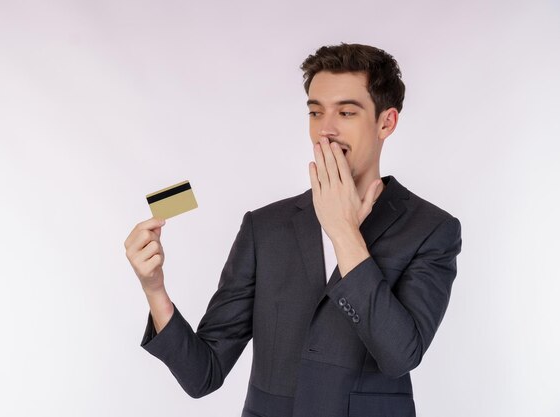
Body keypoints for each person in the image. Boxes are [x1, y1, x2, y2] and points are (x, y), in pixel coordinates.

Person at [124, 42, 462, 417]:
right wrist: (154, 289)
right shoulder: (265, 227)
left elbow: (400, 355)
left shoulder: (431, 229)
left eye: (346, 112)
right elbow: (203, 375)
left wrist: (344, 231)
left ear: (387, 122)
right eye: (316, 112)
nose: (326, 130)